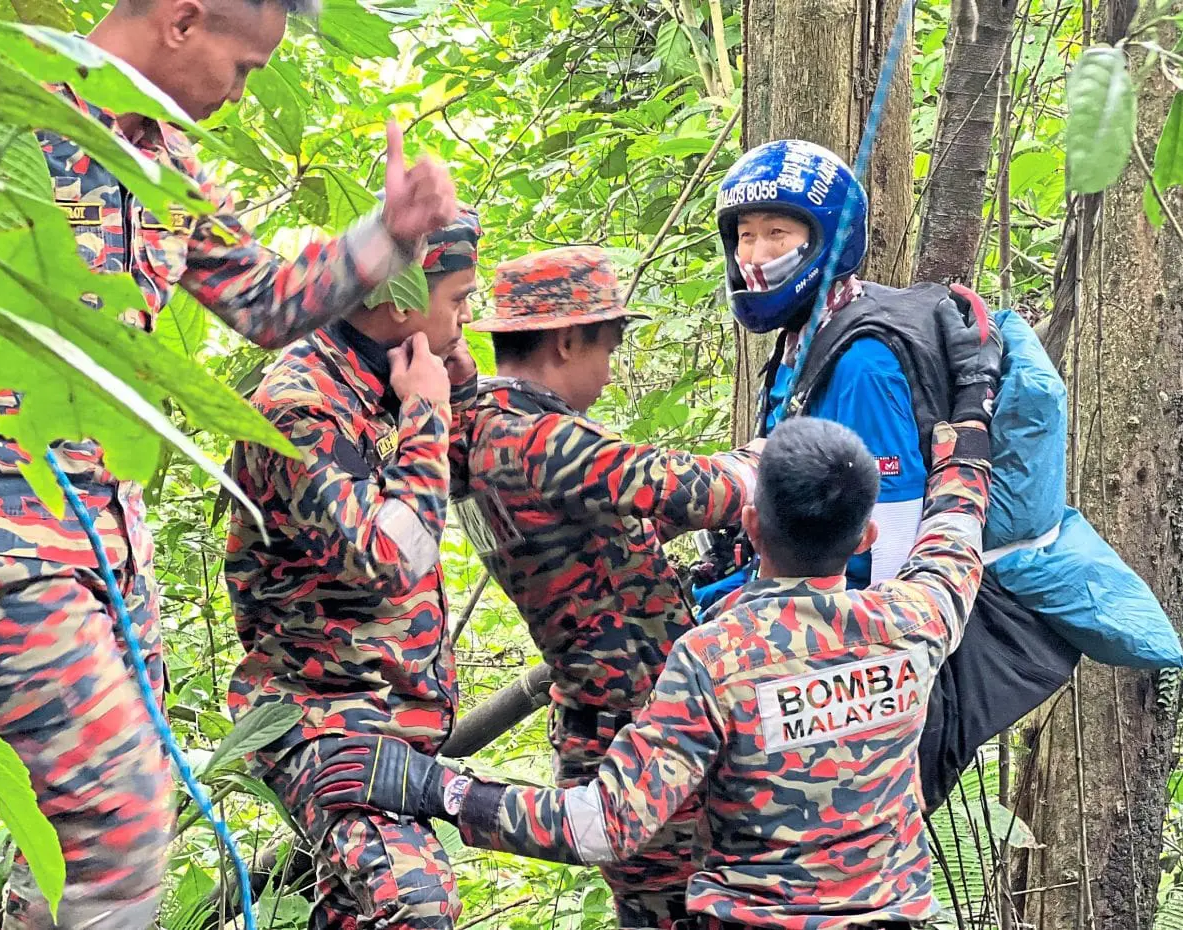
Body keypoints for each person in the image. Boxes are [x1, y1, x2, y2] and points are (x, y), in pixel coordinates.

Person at [0, 0, 456, 924]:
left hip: (107, 545)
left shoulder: (165, 162)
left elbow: (265, 301)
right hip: (0, 539)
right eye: (245, 68)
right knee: (119, 816)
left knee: (96, 826)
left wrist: (386, 234)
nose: (239, 93)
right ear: (184, 22)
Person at [305, 291, 1002, 930]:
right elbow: (956, 527)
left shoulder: (716, 661)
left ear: (751, 530)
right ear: (868, 537)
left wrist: (439, 790)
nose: (610, 369)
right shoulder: (916, 620)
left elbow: (601, 824)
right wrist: (970, 413)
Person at [691, 139, 1082, 809]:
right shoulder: (804, 336)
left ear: (827, 238)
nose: (754, 257)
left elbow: (893, 541)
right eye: (745, 236)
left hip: (863, 682)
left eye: (776, 234)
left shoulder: (863, 363)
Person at [451, 246, 762, 929]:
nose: (612, 369)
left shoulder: (474, 434)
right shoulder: (534, 441)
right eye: (609, 347)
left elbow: (583, 540)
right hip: (644, 734)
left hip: (605, 721)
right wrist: (768, 457)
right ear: (567, 340)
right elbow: (695, 490)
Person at [225, 207, 482, 930]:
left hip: (385, 723)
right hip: (322, 725)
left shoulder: (387, 375)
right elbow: (388, 561)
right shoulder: (301, 405)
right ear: (399, 299)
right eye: (457, 300)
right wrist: (429, 414)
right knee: (415, 904)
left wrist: (453, 394)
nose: (467, 320)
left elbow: (457, 489)